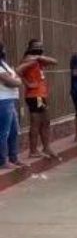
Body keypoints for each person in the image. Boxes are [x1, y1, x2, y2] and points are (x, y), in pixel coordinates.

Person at [18, 39, 58, 159]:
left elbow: (54, 62)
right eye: (36, 46)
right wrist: (27, 84)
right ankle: (33, 150)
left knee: (46, 121)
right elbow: (18, 70)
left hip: (41, 95)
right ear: (30, 47)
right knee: (36, 123)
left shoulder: (39, 59)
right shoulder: (29, 59)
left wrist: (40, 58)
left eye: (41, 46)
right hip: (34, 95)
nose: (39, 48)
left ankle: (46, 147)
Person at [0, 41, 27, 169]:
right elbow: (12, 82)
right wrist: (17, 81)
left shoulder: (4, 64)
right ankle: (2, 160)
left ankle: (13, 157)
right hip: (3, 101)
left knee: (14, 131)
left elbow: (15, 78)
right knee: (4, 132)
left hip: (11, 99)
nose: (5, 50)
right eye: (3, 48)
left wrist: (17, 80)